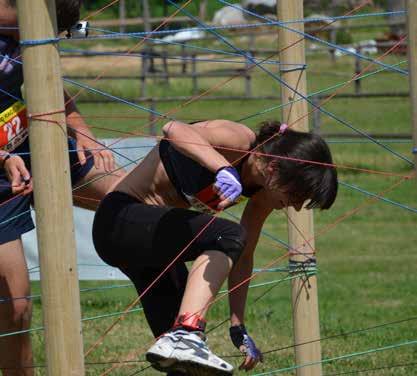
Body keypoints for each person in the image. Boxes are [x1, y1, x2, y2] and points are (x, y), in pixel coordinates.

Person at [92, 119, 338, 375]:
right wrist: (222, 167)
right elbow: (173, 129)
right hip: (118, 220)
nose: (296, 207)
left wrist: (237, 325)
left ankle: (183, 337)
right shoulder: (240, 140)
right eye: (297, 197)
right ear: (274, 168)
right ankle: (186, 333)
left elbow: (243, 256)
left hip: (155, 252)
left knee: (185, 367)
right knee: (226, 234)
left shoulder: (261, 190)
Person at [0, 1, 124, 375]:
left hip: (37, 146)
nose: (46, 33)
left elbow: (47, 84)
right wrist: (2, 156)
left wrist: (85, 133)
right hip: (5, 167)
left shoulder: (28, 32)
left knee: (135, 201)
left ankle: (184, 327)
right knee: (15, 307)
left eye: (60, 31)